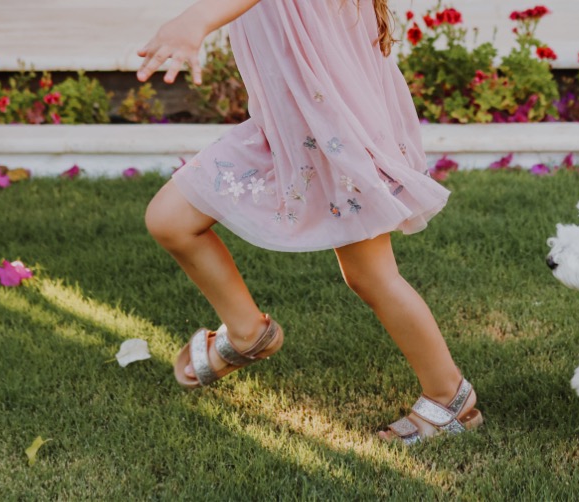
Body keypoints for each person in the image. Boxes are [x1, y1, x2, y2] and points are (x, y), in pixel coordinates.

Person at [137, 0, 480, 444]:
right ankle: (247, 333)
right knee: (169, 219)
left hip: (333, 132)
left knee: (371, 277)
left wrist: (196, 20)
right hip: (280, 131)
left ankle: (450, 397)